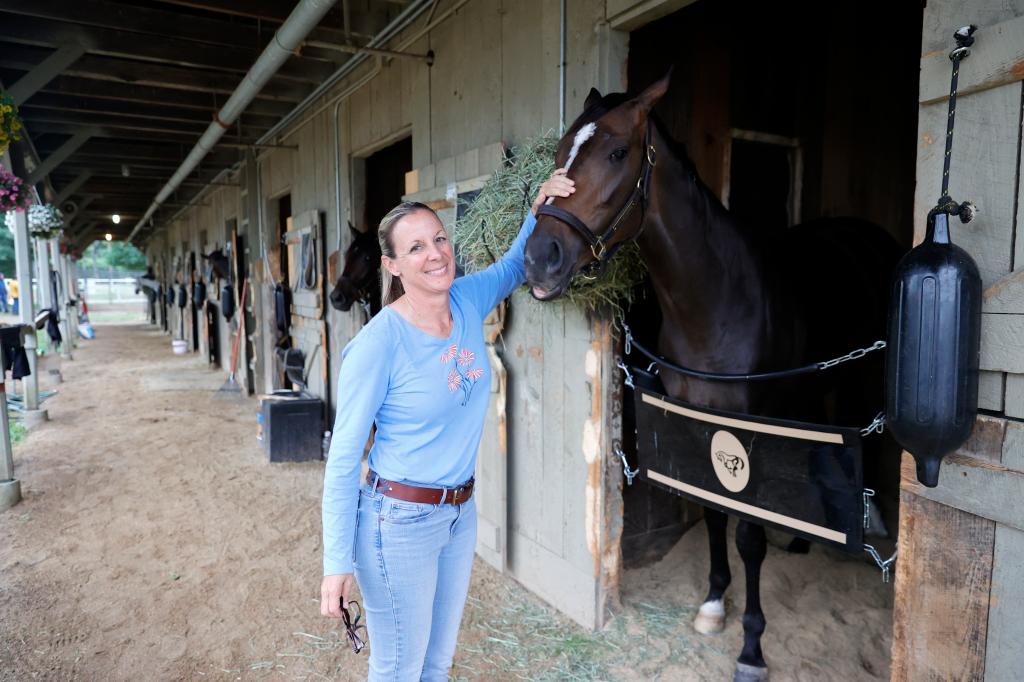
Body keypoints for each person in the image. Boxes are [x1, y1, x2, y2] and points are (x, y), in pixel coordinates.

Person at [321, 169, 575, 681]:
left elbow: (511, 268)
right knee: (398, 669)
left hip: (459, 515)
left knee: (436, 663)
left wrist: (540, 209)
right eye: (415, 248)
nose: (436, 254)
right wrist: (336, 561)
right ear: (391, 265)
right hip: (398, 523)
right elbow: (344, 457)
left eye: (439, 239)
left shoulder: (464, 299)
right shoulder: (378, 345)